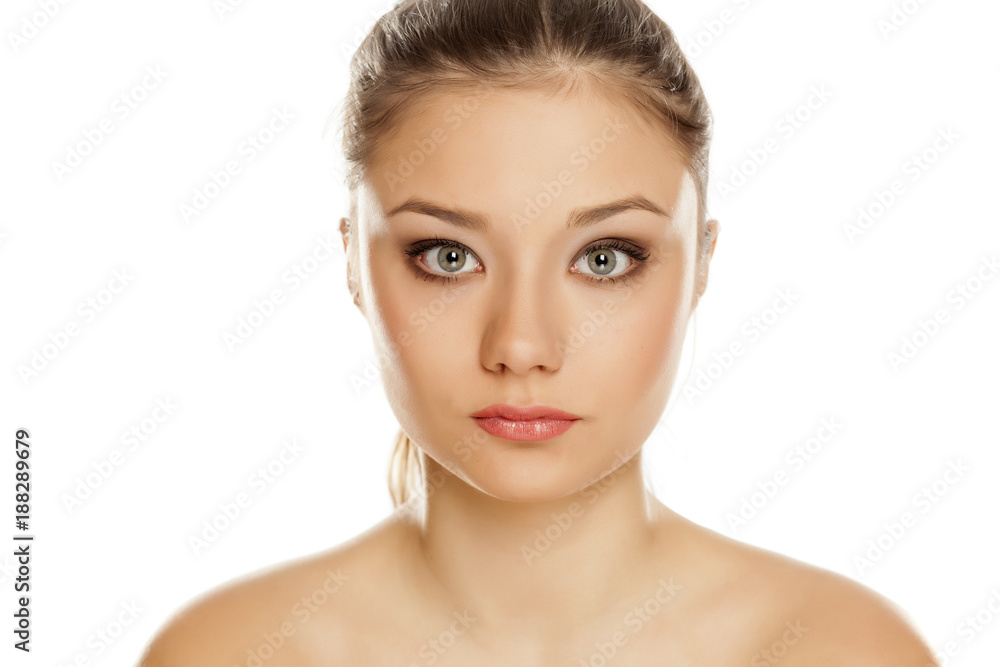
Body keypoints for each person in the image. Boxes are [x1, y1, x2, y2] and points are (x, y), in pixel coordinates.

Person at [141, 0, 938, 664]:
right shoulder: (228, 652)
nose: (521, 346)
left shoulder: (845, 650)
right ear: (354, 261)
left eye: (603, 258)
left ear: (700, 263)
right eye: (448, 257)